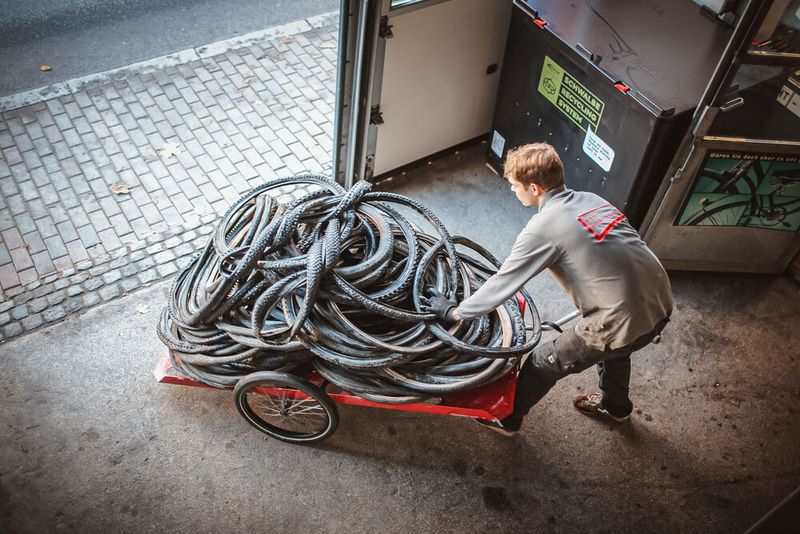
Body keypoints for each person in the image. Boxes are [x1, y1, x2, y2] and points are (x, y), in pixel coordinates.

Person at [423, 142, 673, 435]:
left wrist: (455, 312)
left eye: (515, 186)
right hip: (659, 301)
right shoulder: (590, 200)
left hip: (620, 319)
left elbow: (504, 281)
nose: (512, 191)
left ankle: (508, 420)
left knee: (545, 361)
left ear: (534, 188)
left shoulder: (543, 227)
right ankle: (616, 407)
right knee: (618, 349)